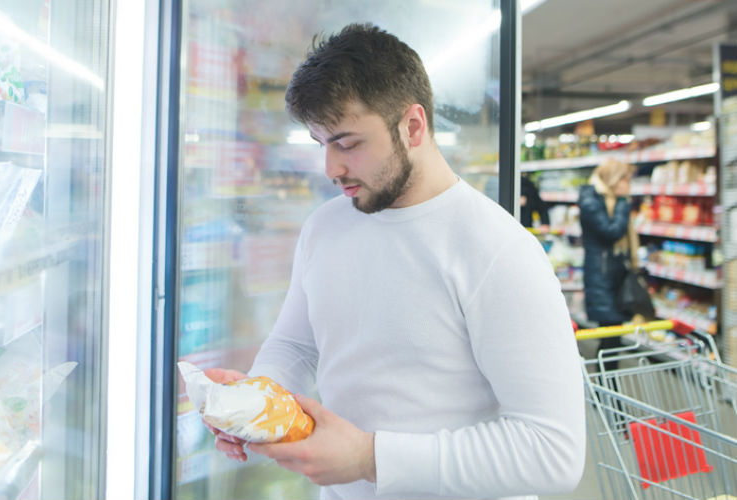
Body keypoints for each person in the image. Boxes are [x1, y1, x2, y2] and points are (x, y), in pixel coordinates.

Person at [203, 23, 585, 499]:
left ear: (413, 126)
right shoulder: (324, 228)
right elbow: (296, 344)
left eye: (348, 143)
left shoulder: (498, 250)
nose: (331, 169)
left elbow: (552, 452)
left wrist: (369, 458)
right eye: (322, 144)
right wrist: (254, 404)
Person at [577, 158, 639, 365]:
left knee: (613, 339)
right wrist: (623, 205)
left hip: (614, 278)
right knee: (610, 340)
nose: (628, 186)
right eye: (625, 180)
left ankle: (608, 389)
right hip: (601, 278)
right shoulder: (591, 201)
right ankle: (607, 390)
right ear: (614, 180)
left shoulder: (607, 200)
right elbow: (610, 232)